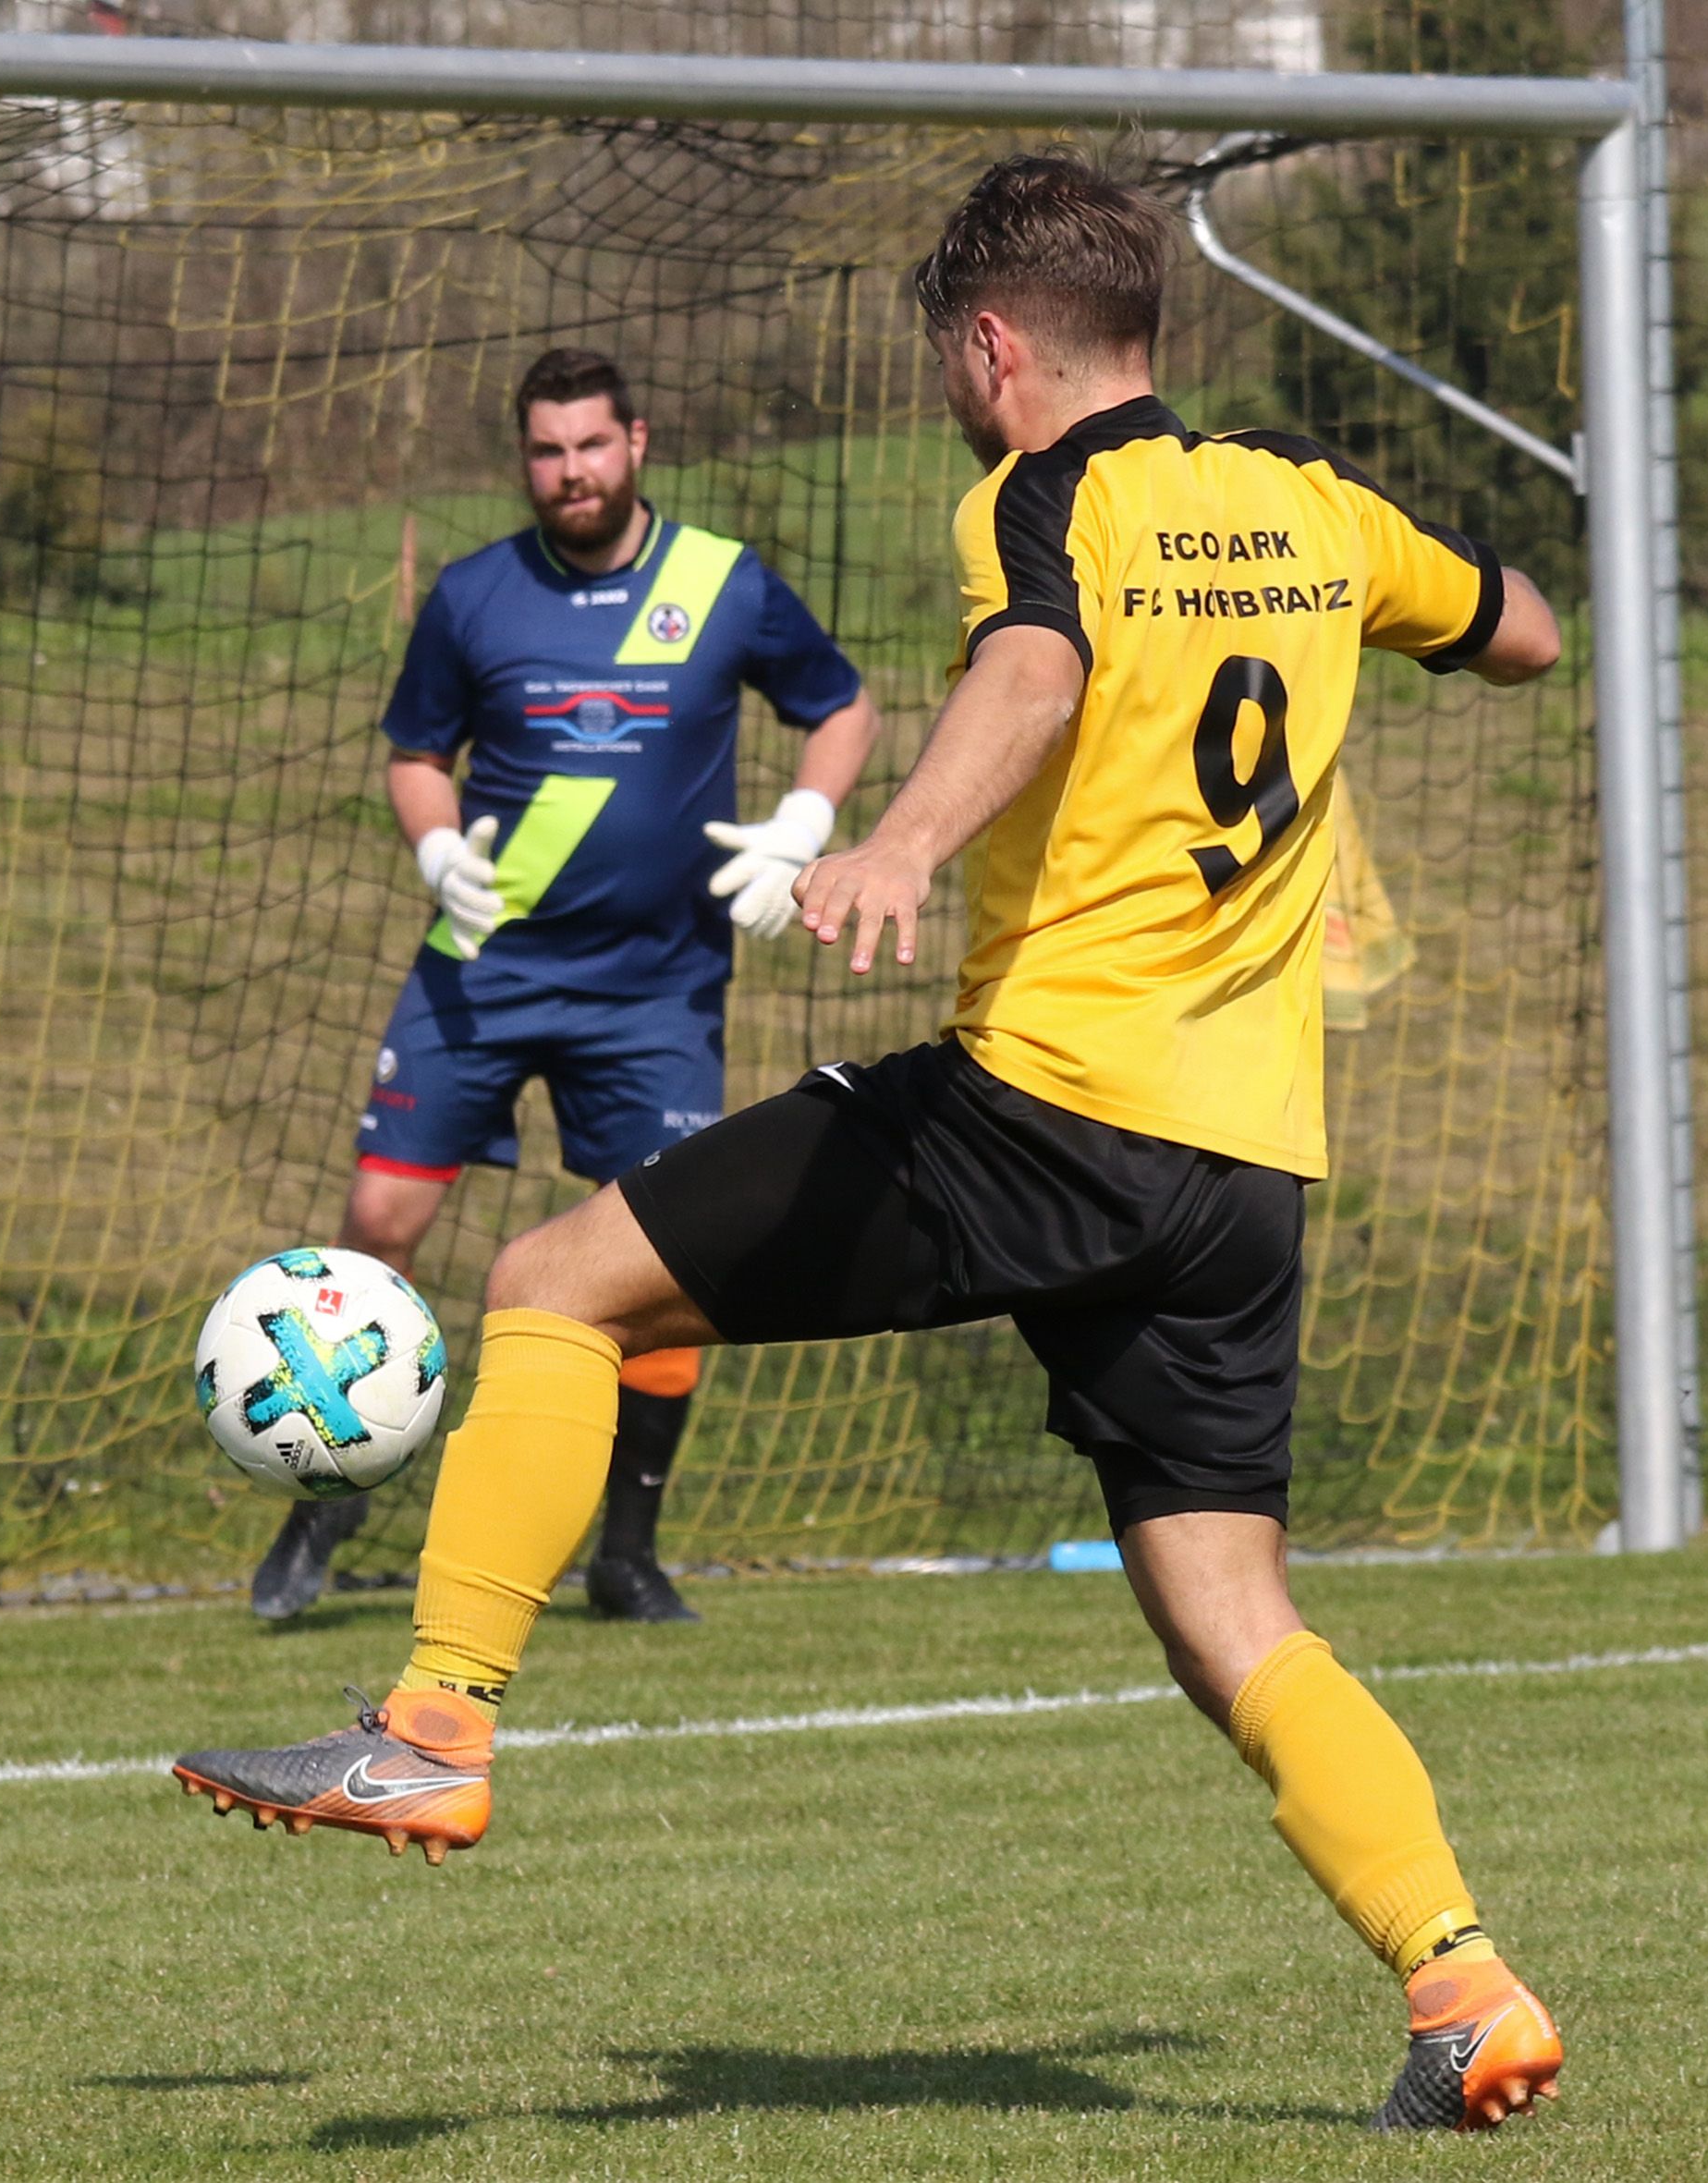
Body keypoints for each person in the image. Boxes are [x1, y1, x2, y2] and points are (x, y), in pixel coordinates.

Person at [174, 153, 1569, 2134]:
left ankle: (433, 1720)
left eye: (947, 362)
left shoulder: (1038, 493)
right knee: (1233, 1620)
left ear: (993, 347)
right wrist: (1401, 615)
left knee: (552, 1280)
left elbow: (1036, 664)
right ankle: (1462, 1983)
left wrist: (898, 841)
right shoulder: (1310, 499)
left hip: (1046, 1108)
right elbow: (1521, 632)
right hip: (1243, 1170)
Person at [245, 347, 882, 1625]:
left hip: (656, 991)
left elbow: (845, 708)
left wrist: (806, 825)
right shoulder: (475, 594)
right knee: (378, 1217)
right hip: (485, 969)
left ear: (636, 442)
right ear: (525, 459)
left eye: (592, 444)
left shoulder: (722, 581)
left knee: (663, 1260)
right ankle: (330, 1494)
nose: (571, 470)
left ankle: (626, 1554)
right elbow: (415, 754)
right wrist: (437, 850)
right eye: (547, 450)